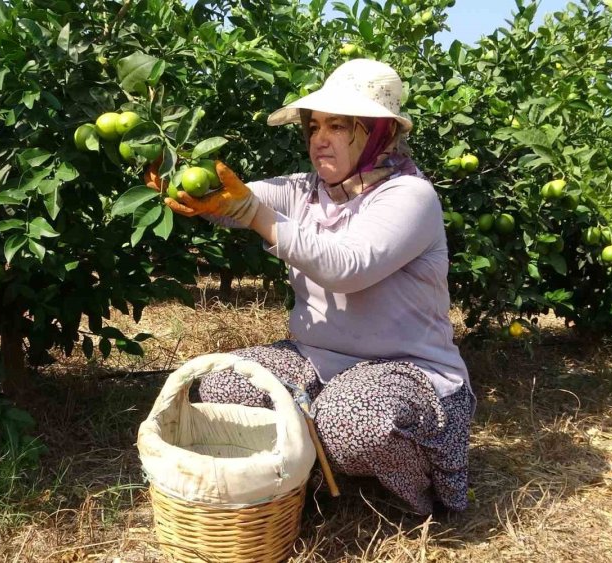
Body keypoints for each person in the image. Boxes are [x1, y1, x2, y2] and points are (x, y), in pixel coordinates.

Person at [145, 58, 474, 515]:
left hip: (408, 369)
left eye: (338, 125)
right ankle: (317, 471)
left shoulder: (409, 197)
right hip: (317, 360)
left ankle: (412, 492)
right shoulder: (304, 189)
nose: (320, 138)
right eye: (314, 124)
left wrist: (255, 216)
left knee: (355, 420)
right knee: (219, 386)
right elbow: (234, 199)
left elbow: (347, 267)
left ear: (378, 131)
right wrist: (183, 181)